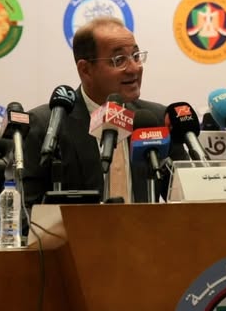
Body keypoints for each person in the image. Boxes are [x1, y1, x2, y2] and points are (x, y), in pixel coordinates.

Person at [22, 17, 177, 208]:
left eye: (136, 56)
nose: (134, 68)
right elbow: (28, 211)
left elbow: (185, 199)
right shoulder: (46, 125)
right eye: (119, 60)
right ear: (86, 70)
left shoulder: (156, 119)